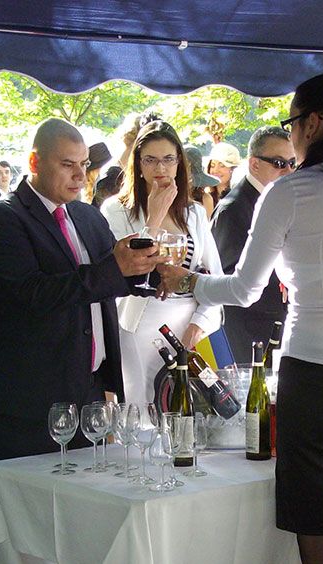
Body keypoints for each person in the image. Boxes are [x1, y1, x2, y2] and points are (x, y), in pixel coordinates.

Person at [158, 74, 323, 564]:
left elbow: (244, 290)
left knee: (317, 525)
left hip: (317, 375)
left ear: (313, 123)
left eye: (292, 122)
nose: (291, 134)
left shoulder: (290, 192)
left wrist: (185, 279)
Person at [0, 119, 162, 461]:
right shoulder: (3, 219)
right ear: (34, 162)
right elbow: (34, 293)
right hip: (35, 397)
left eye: (84, 165)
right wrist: (115, 268)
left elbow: (112, 278)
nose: (80, 176)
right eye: (67, 165)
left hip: (91, 389)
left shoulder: (86, 216)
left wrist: (152, 274)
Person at [103, 118, 224, 405]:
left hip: (188, 323)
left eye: (169, 159)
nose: (161, 169)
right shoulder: (116, 210)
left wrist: (200, 322)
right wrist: (154, 218)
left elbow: (215, 278)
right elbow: (131, 269)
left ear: (180, 163)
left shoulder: (194, 213)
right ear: (139, 165)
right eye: (151, 160)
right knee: (143, 409)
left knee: (187, 411)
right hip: (140, 322)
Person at [212, 126, 297, 350]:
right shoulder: (233, 209)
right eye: (279, 163)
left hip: (273, 325)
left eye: (292, 163)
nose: (288, 171)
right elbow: (227, 276)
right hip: (246, 332)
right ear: (254, 164)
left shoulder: (277, 202)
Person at [201, 142, 241, 216]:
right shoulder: (204, 197)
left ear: (233, 169)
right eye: (212, 165)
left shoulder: (240, 198)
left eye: (222, 166)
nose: (216, 170)